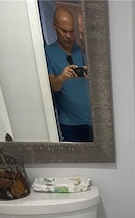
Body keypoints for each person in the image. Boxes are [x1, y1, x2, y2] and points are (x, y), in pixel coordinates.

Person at [45, 7, 93, 142]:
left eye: (72, 31)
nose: (68, 35)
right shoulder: (48, 53)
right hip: (69, 124)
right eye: (64, 31)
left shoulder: (82, 51)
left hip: (92, 120)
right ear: (55, 26)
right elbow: (53, 87)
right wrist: (62, 77)